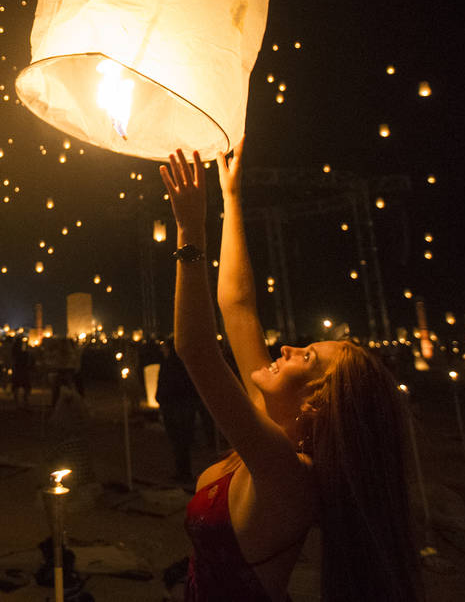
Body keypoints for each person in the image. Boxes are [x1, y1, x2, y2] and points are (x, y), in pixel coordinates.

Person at [160, 143, 420, 602]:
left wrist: (190, 228)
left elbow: (196, 349)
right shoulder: (269, 430)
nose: (286, 346)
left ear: (319, 401)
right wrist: (231, 198)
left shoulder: (288, 475)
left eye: (307, 357)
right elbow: (237, 307)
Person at [156, 336, 200, 488]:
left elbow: (165, 385)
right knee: (183, 441)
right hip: (185, 406)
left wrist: (160, 399)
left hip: (174, 407)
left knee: (178, 441)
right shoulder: (186, 364)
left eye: (164, 347)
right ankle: (184, 471)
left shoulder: (169, 365)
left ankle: (183, 473)